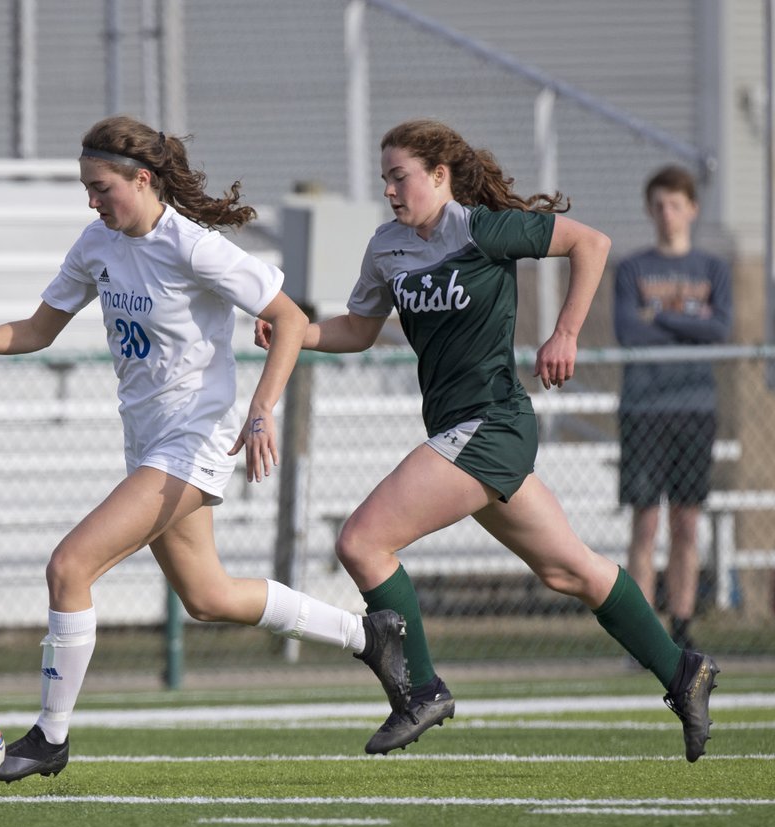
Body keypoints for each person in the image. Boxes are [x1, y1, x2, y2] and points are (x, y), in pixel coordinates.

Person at [0, 115, 410, 783]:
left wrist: (262, 409)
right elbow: (40, 328)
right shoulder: (98, 243)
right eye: (87, 190)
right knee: (208, 596)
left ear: (141, 179)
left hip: (194, 439)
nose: (92, 202)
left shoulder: (193, 247)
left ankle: (50, 736)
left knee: (69, 566)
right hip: (147, 441)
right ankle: (369, 635)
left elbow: (290, 319)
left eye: (100, 189)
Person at [255, 119, 719, 763]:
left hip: (494, 423)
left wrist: (566, 332)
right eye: (385, 177)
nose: (390, 189)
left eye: (401, 176)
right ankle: (682, 671)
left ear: (440, 177)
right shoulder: (387, 247)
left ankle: (422, 690)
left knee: (362, 541)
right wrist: (295, 333)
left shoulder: (482, 228)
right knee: (570, 571)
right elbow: (359, 330)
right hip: (460, 431)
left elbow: (592, 242)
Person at [613, 165, 733, 652]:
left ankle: (681, 628)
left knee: (686, 522)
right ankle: (644, 638)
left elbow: (718, 329)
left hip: (694, 406)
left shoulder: (712, 270)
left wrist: (658, 312)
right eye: (659, 205)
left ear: (692, 209)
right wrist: (686, 317)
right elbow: (629, 332)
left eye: (676, 205)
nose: (667, 214)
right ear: (650, 210)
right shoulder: (632, 268)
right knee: (646, 522)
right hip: (644, 408)